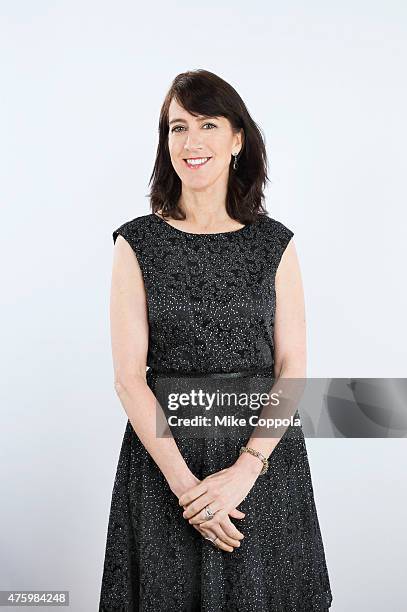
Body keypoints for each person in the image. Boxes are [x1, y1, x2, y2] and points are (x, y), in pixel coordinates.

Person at [99, 69, 333, 611]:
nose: (190, 142)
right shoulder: (136, 243)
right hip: (166, 466)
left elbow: (292, 368)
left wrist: (245, 470)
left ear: (236, 140)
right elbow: (129, 378)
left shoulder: (276, 244)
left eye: (207, 124)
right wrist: (190, 491)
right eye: (177, 128)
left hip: (263, 467)